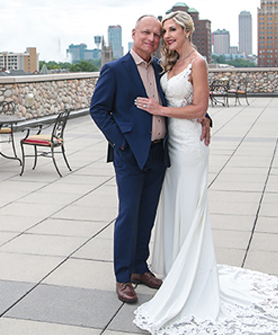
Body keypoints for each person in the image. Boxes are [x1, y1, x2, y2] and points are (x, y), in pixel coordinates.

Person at [132, 11, 278, 334]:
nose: (167, 36)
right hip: (171, 144)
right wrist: (188, 116)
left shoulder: (198, 62)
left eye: (172, 30)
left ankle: (193, 276)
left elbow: (199, 108)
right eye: (164, 31)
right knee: (174, 206)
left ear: (188, 31)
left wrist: (169, 112)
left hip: (190, 148)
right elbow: (186, 103)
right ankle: (177, 270)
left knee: (190, 206)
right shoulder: (170, 63)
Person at [89, 14, 210, 304]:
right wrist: (121, 143)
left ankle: (140, 268)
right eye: (147, 33)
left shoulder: (160, 68)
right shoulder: (115, 69)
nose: (152, 39)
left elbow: (181, 99)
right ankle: (122, 277)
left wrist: (204, 116)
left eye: (157, 35)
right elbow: (98, 110)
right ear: (134, 33)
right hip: (130, 155)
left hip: (159, 153)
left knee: (147, 215)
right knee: (128, 214)